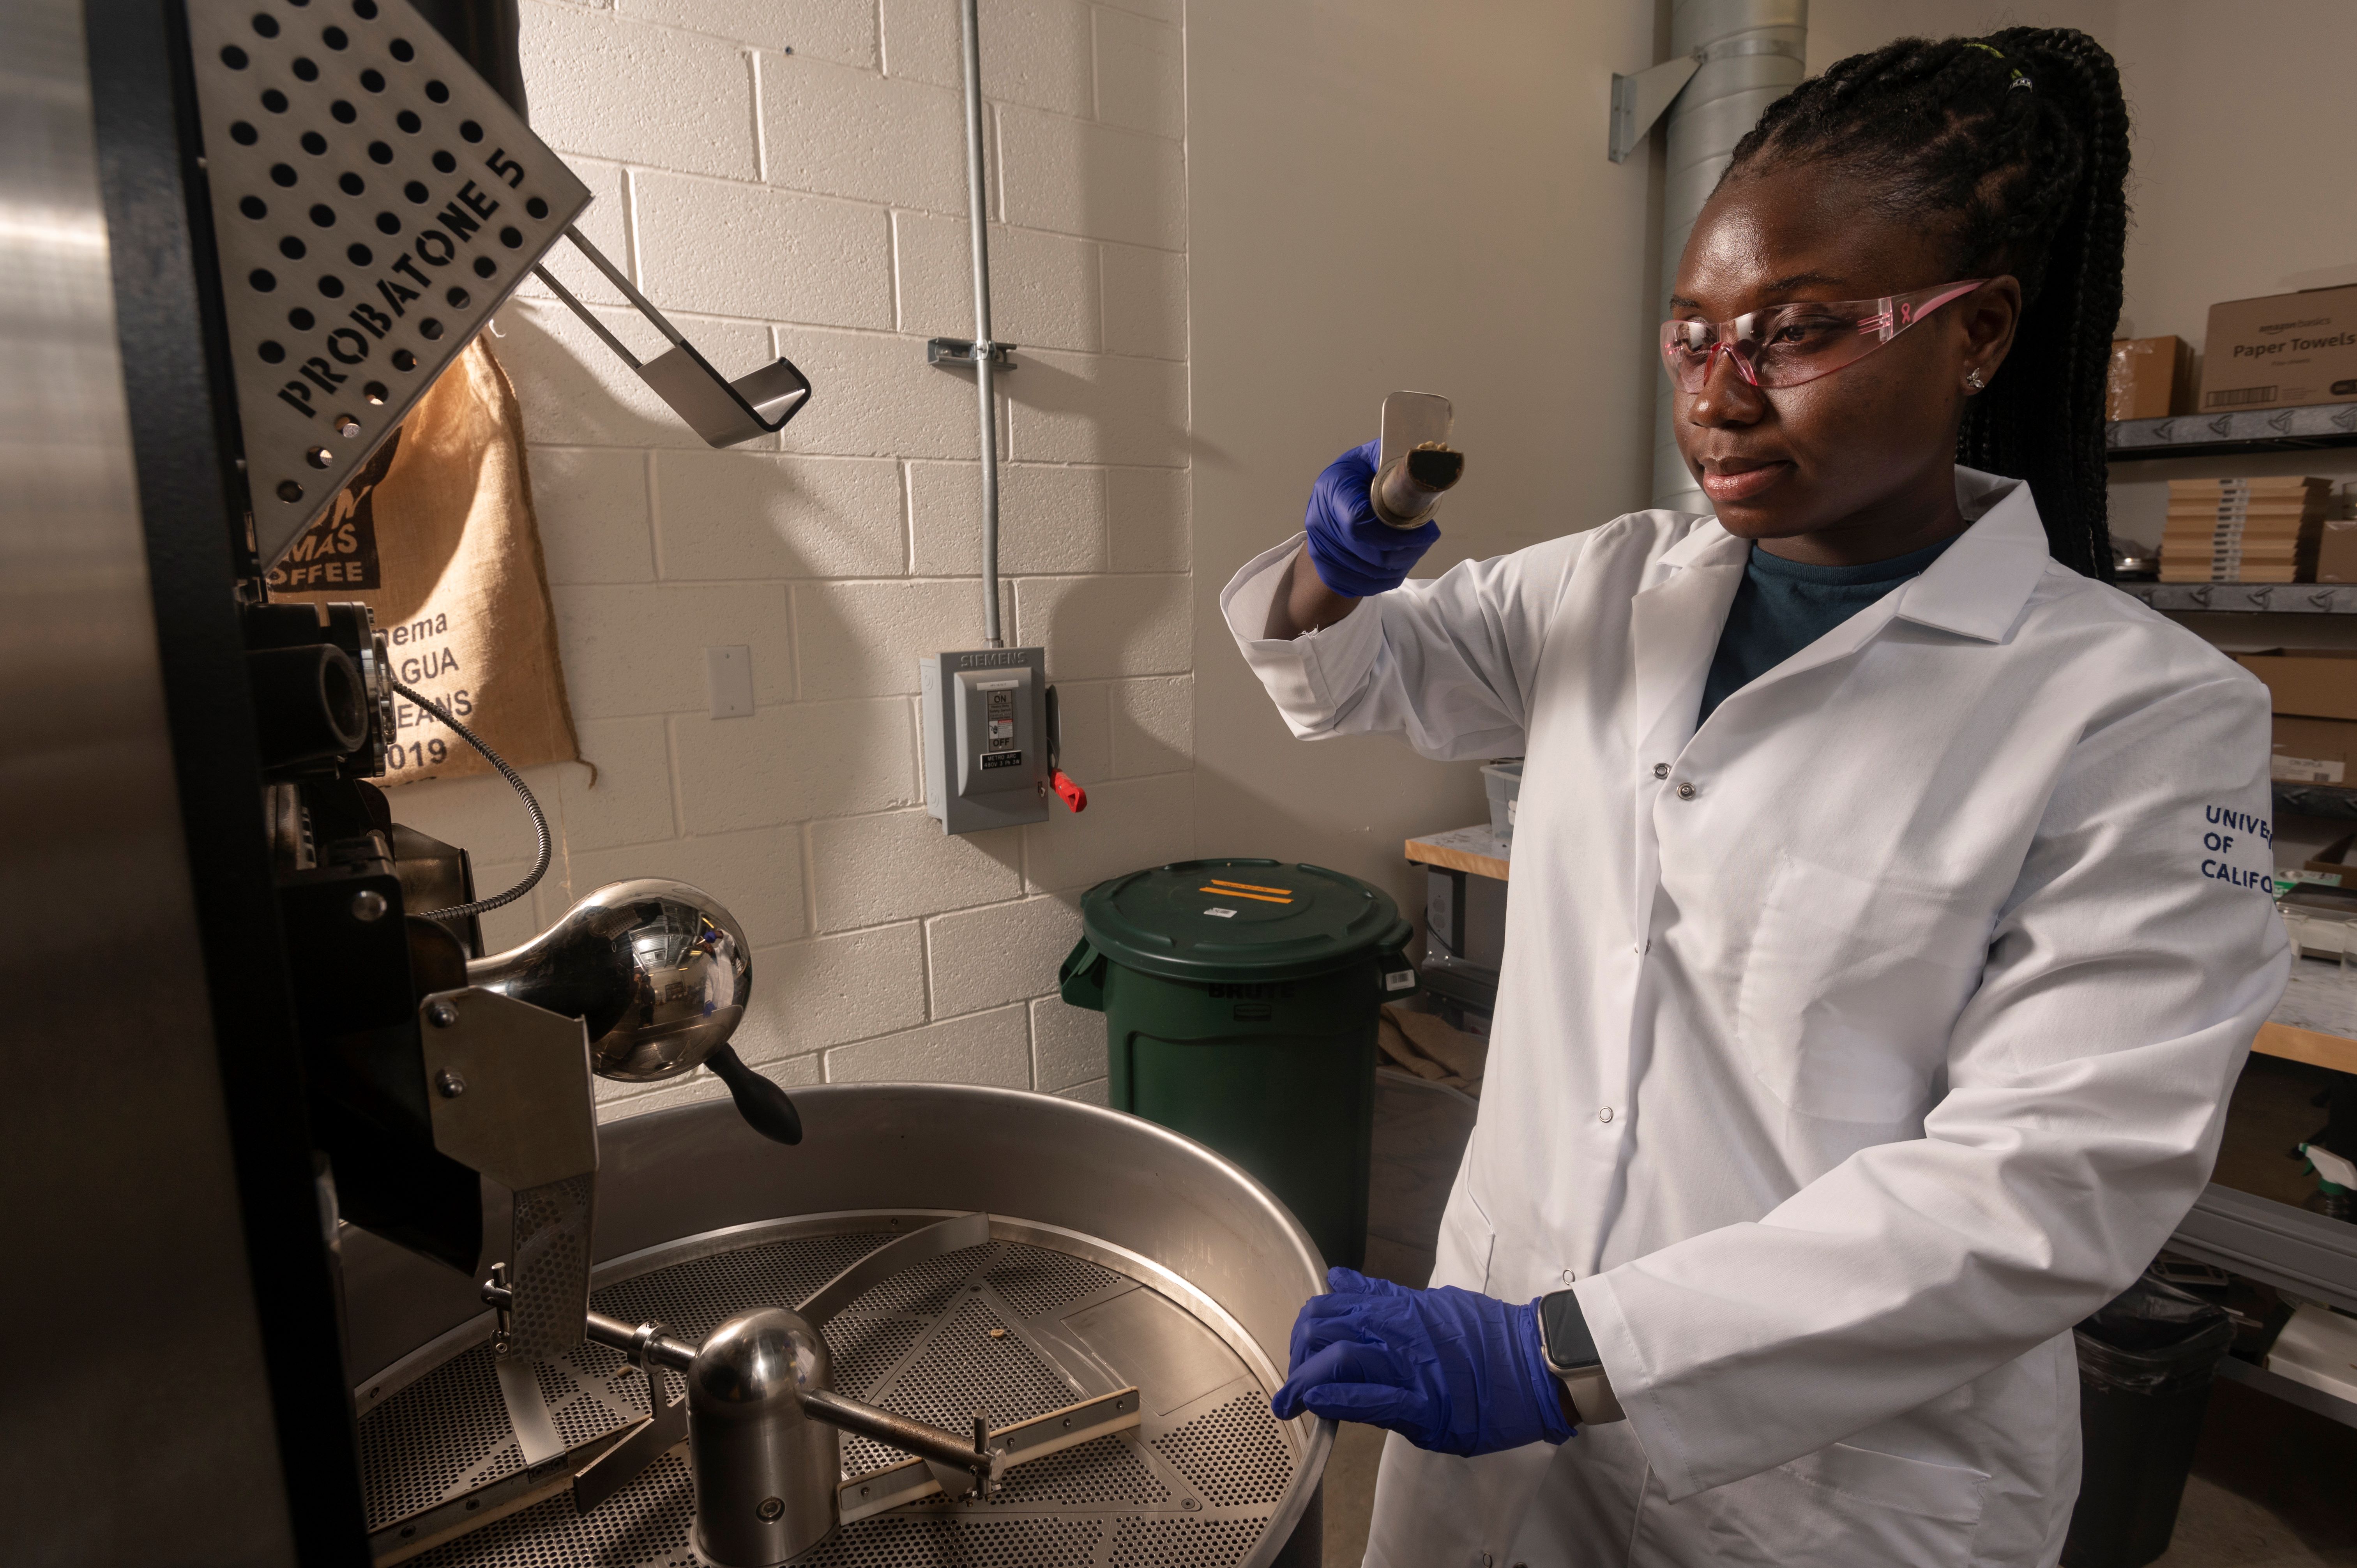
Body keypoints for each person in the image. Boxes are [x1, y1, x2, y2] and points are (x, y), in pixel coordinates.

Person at [1223, 30, 2288, 1568]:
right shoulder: (1609, 583)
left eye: (1794, 333)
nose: (1719, 396)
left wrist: (1572, 1356)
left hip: (1831, 1483)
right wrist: (1344, 559)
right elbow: (1362, 676)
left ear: (1976, 330)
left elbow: (2050, 1186)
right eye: (1690, 334)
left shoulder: (2141, 716)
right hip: (1505, 1382)